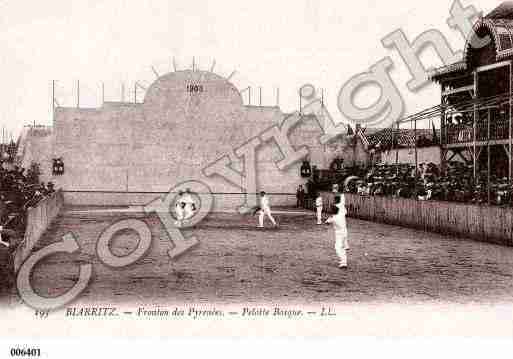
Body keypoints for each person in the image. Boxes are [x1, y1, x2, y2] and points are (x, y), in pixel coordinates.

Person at [325, 197, 349, 268]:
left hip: (339, 234)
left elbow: (327, 222)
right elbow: (344, 212)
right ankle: (344, 261)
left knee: (337, 248)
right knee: (343, 247)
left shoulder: (333, 218)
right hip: (345, 232)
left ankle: (343, 262)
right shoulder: (341, 214)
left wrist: (330, 217)